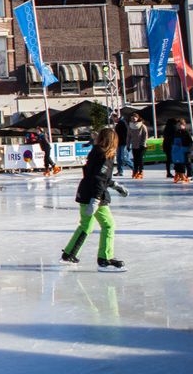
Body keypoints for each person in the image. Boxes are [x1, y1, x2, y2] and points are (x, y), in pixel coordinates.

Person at [61, 127, 129, 272]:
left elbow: (98, 176)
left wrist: (116, 185)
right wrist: (96, 200)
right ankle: (105, 258)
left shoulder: (96, 152)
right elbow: (99, 178)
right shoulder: (105, 155)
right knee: (108, 225)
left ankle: (69, 254)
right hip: (93, 195)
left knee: (86, 226)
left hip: (86, 192)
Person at [127, 114, 149, 179]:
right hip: (134, 145)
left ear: (138, 118)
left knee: (140, 159)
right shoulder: (130, 126)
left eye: (135, 117)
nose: (133, 119)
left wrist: (143, 144)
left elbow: (145, 135)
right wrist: (128, 145)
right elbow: (128, 136)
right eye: (132, 118)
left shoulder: (142, 126)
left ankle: (141, 171)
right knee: (135, 159)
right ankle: (135, 171)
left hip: (141, 145)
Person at [171, 119, 193, 183]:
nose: (179, 126)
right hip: (179, 151)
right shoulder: (177, 132)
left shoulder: (186, 132)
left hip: (186, 150)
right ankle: (181, 175)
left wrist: (188, 149)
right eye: (178, 125)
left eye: (180, 125)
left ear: (183, 125)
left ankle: (190, 175)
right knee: (180, 163)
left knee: (187, 163)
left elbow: (190, 142)